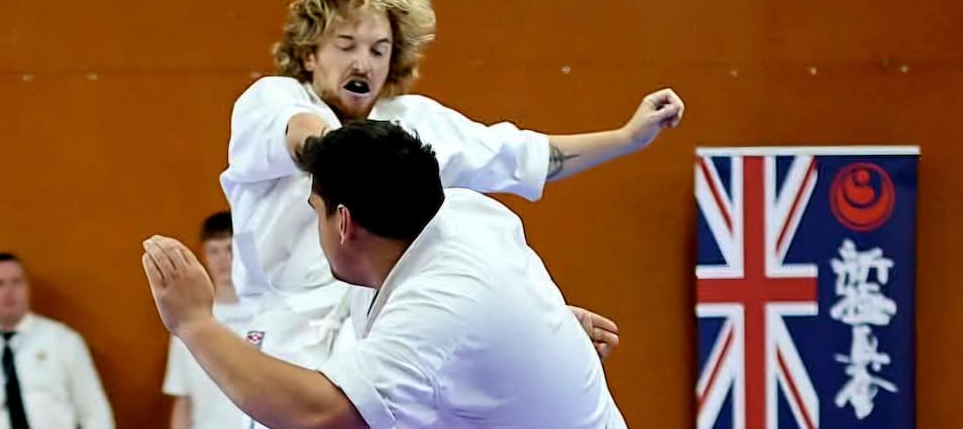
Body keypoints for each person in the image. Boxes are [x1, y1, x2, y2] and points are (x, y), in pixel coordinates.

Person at [221, 0, 682, 371]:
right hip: (288, 335)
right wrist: (351, 152)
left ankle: (534, 331)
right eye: (346, 46)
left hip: (387, 326)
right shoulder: (274, 99)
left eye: (379, 50)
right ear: (308, 56)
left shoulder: (412, 121)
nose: (363, 62)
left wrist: (626, 138)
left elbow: (519, 155)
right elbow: (304, 137)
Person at [143, 120, 628, 428]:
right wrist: (533, 336)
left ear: (344, 222)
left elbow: (319, 413)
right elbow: (494, 306)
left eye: (316, 211)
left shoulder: (437, 309)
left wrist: (195, 323)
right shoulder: (465, 212)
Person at [0, 253, 114, 429]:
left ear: (28, 289)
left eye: (17, 282)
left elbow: (93, 411)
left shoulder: (64, 341)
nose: (9, 292)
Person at [162, 212, 252, 429]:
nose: (223, 260)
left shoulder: (267, 315)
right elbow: (183, 398)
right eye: (214, 251)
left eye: (230, 249)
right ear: (204, 255)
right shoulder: (188, 319)